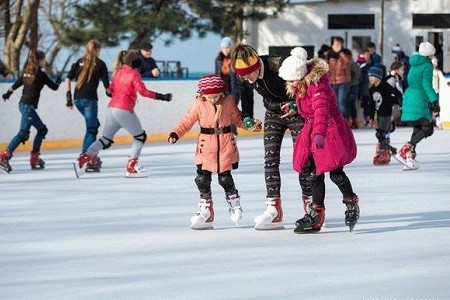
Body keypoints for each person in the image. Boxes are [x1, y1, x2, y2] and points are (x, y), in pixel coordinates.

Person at [230, 43, 312, 231]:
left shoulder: (277, 64)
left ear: (258, 65)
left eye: (249, 74)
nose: (247, 79)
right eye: (242, 76)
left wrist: (296, 105)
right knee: (270, 160)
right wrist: (248, 118)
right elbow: (246, 96)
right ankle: (274, 208)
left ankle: (311, 204)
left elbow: (304, 85)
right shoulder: (243, 75)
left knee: (303, 159)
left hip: (296, 112)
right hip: (273, 113)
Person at [278, 47, 359, 233]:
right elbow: (310, 108)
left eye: (290, 80)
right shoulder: (303, 85)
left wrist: (320, 135)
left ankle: (351, 203)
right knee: (314, 173)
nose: (288, 84)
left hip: (330, 132)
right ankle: (316, 214)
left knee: (336, 173)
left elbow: (321, 112)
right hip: (314, 131)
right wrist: (294, 106)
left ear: (298, 76)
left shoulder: (317, 87)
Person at [168, 74, 262, 230]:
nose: (212, 99)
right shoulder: (198, 104)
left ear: (221, 93)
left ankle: (234, 204)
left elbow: (239, 119)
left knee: (225, 179)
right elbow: (186, 120)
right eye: (209, 97)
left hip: (226, 146)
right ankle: (206, 209)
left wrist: (251, 126)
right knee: (202, 179)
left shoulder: (229, 102)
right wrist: (175, 133)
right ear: (202, 94)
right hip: (206, 147)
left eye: (215, 96)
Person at [73, 50, 172, 178]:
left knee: (105, 139)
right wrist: (161, 96)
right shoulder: (134, 74)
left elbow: (111, 90)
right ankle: (131, 167)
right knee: (140, 136)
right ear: (134, 61)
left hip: (112, 109)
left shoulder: (118, 72)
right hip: (124, 110)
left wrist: (111, 91)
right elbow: (143, 91)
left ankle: (84, 158)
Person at [0, 49, 61, 173]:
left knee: (42, 130)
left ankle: (35, 158)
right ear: (39, 60)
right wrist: (58, 81)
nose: (45, 62)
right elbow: (54, 87)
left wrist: (8, 93)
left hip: (24, 105)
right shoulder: (41, 75)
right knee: (23, 132)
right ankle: (4, 156)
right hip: (27, 107)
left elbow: (16, 84)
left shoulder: (26, 72)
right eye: (43, 59)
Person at [65, 39, 111, 172]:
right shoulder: (100, 64)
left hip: (77, 99)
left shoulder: (79, 61)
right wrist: (113, 95)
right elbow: (107, 86)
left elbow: (67, 78)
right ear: (97, 50)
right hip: (90, 100)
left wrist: (68, 98)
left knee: (94, 125)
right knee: (91, 129)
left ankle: (92, 156)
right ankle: (85, 156)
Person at [394, 42, 439, 171]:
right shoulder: (427, 65)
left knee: (417, 128)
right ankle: (405, 149)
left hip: (409, 96)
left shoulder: (414, 64)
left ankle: (409, 158)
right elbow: (426, 85)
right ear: (429, 54)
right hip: (419, 98)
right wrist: (434, 100)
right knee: (427, 128)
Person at [367, 66, 402, 165]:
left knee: (382, 133)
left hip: (387, 113)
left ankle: (384, 152)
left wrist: (398, 103)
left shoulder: (385, 86)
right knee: (380, 133)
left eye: (372, 77)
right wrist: (370, 116)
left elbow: (397, 93)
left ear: (378, 77)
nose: (370, 79)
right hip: (378, 114)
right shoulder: (372, 89)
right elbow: (372, 105)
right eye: (369, 77)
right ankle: (387, 149)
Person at [327, 36, 352, 119]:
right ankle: (337, 121)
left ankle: (343, 120)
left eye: (338, 44)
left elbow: (348, 62)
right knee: (334, 103)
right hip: (332, 82)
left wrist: (340, 52)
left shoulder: (345, 54)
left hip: (343, 82)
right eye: (335, 44)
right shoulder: (329, 54)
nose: (336, 46)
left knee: (341, 103)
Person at [215, 37, 240, 105]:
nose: (225, 50)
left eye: (227, 47)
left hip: (234, 89)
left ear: (231, 48)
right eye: (223, 48)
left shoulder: (236, 58)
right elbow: (217, 75)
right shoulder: (218, 59)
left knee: (232, 109)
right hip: (222, 90)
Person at [431, 56, 445, 129]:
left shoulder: (438, 72)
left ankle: (437, 121)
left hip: (435, 92)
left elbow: (443, 80)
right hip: (429, 92)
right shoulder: (428, 71)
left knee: (435, 107)